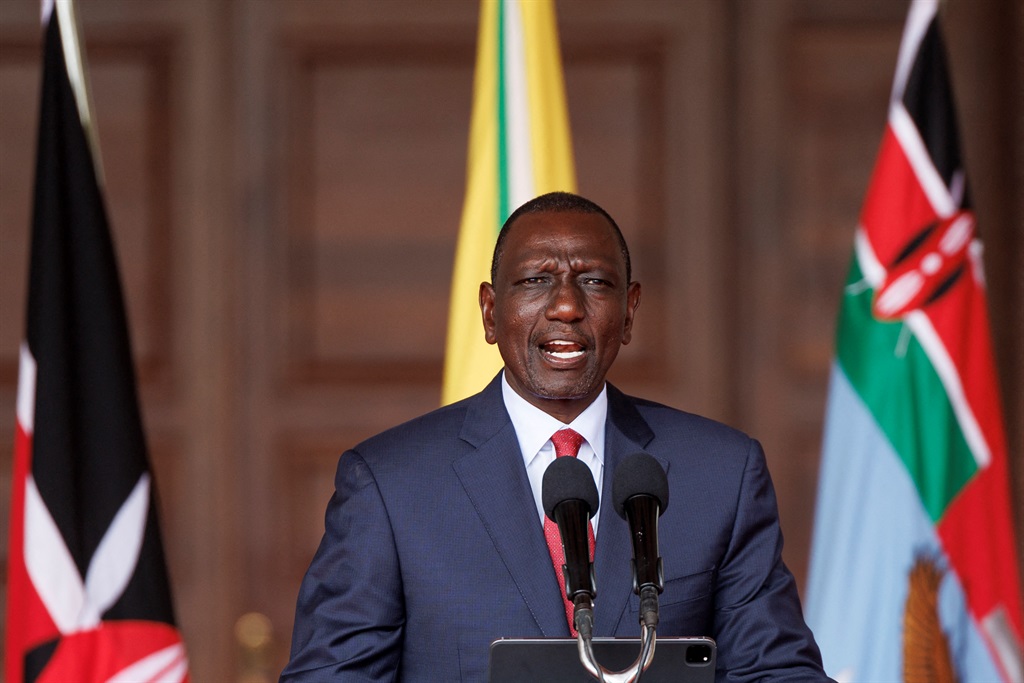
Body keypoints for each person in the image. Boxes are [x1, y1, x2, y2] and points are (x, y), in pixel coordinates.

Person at [281, 192, 830, 681]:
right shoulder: (390, 485)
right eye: (536, 281)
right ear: (491, 314)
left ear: (630, 311)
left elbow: (775, 671)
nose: (567, 307)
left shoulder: (721, 473)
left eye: (594, 282)